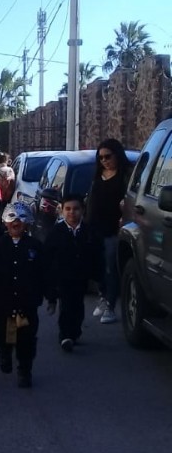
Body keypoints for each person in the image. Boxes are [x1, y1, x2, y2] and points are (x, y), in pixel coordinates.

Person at [0, 202, 51, 389]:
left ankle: (24, 370)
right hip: (4, 304)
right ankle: (5, 353)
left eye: (20, 219)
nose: (16, 222)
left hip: (26, 304)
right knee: (5, 335)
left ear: (27, 223)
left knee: (26, 339)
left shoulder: (34, 247)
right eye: (12, 218)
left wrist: (51, 296)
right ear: (5, 222)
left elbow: (45, 273)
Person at [45, 194, 103, 352]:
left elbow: (96, 254)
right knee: (66, 304)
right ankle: (65, 335)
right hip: (63, 276)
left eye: (76, 209)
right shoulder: (57, 232)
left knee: (77, 304)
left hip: (81, 276)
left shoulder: (88, 232)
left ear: (83, 210)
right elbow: (48, 257)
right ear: (62, 211)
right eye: (68, 209)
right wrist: (49, 286)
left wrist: (97, 276)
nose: (72, 212)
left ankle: (75, 331)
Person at [86, 139, 131, 325]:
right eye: (101, 157)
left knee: (111, 268)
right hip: (95, 228)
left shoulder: (125, 175)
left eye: (108, 156)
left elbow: (129, 199)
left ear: (117, 155)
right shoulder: (98, 176)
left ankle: (111, 307)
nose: (104, 160)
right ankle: (103, 297)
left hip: (114, 229)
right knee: (97, 266)